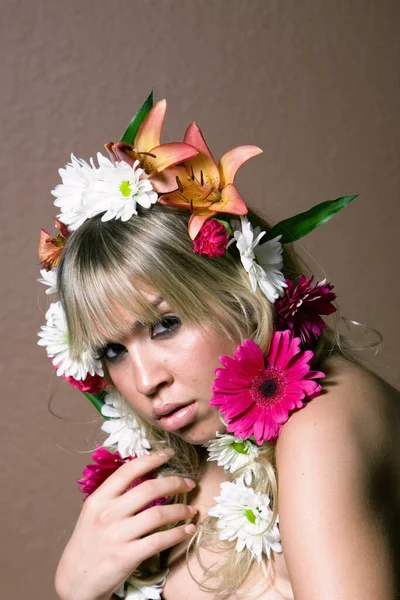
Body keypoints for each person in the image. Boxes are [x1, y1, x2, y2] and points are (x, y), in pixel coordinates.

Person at [37, 94, 400, 600]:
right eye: (112, 351)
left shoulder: (323, 425)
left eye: (165, 324)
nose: (145, 382)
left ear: (241, 294)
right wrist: (77, 589)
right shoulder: (181, 471)